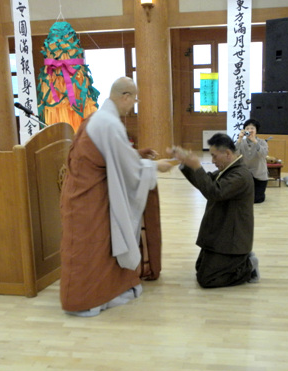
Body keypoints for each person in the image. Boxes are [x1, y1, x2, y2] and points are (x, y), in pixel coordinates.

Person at [60, 77, 174, 317]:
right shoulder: (109, 123)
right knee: (90, 249)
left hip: (82, 193)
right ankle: (84, 300)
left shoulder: (98, 118)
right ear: (125, 96)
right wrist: (154, 166)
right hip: (90, 197)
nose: (133, 106)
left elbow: (111, 155)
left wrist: (137, 154)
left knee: (99, 247)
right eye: (134, 100)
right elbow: (128, 168)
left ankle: (103, 292)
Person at [169, 133, 260, 288]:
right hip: (221, 233)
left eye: (214, 156)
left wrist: (197, 166)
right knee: (200, 268)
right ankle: (238, 262)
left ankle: (248, 266)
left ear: (228, 153)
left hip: (233, 240)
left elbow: (214, 192)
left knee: (207, 279)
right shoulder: (230, 170)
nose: (212, 161)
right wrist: (187, 163)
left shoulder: (241, 175)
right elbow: (206, 182)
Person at [235, 118, 269, 203]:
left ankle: (260, 193)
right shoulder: (241, 142)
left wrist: (255, 141)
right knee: (243, 199)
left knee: (257, 199)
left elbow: (263, 154)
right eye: (247, 128)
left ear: (256, 130)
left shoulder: (262, 142)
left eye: (252, 128)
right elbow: (234, 155)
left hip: (259, 174)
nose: (250, 130)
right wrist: (239, 139)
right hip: (245, 175)